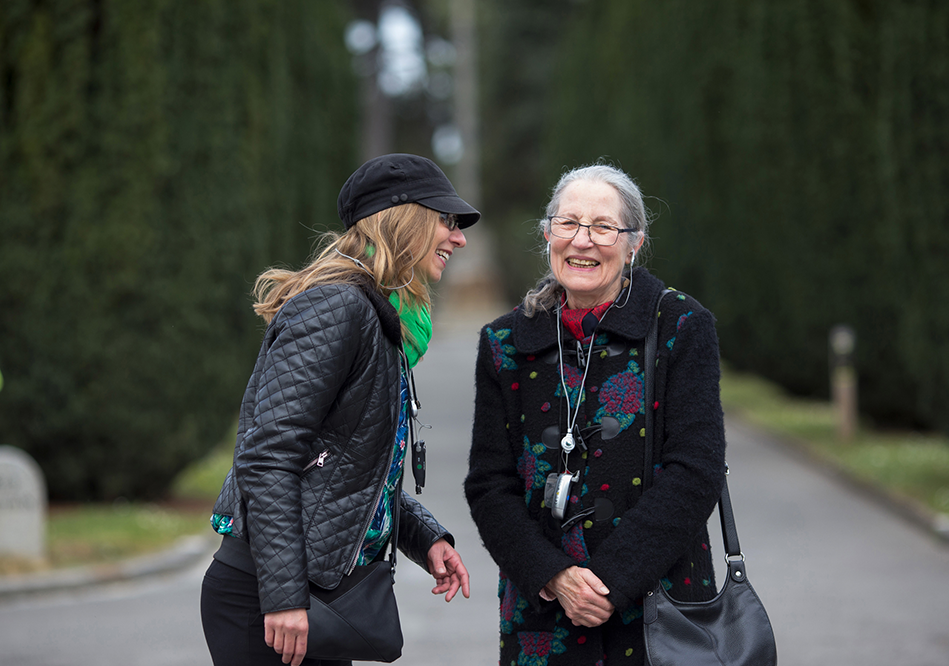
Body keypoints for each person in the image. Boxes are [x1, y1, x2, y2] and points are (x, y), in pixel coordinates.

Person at [201, 153, 475, 666]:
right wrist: (283, 596)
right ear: (403, 219)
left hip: (316, 595)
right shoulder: (338, 307)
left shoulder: (377, 314)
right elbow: (268, 454)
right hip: (270, 599)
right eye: (447, 220)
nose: (458, 238)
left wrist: (424, 535)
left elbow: (349, 464)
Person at [464, 162, 726, 665]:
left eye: (604, 227)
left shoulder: (681, 324)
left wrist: (608, 581)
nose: (582, 241)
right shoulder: (503, 342)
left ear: (634, 244)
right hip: (543, 614)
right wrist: (555, 577)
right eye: (568, 223)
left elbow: (697, 468)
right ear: (547, 235)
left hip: (657, 608)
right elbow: (489, 482)